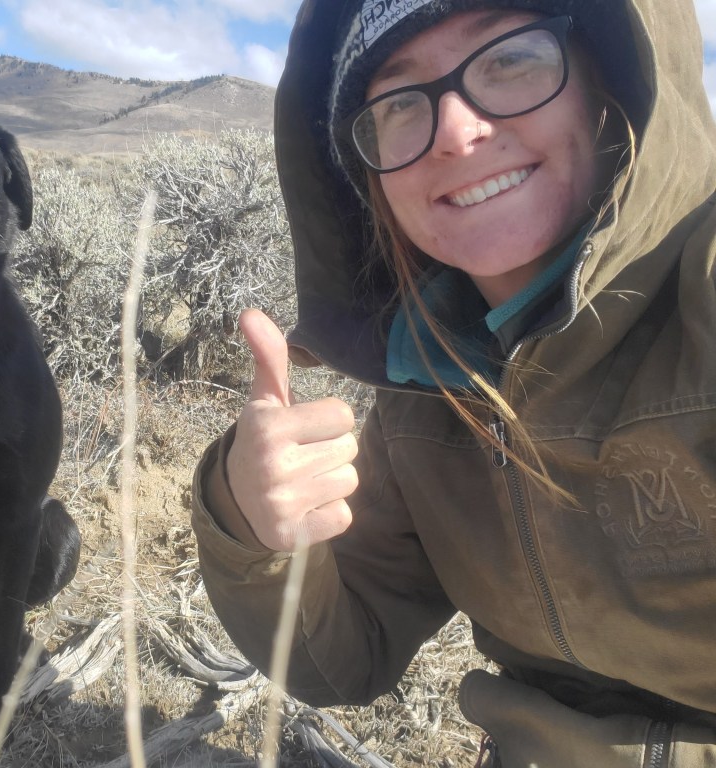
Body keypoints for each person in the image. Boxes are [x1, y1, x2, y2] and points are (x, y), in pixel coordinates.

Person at [190, 0, 716, 765]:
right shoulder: (427, 383)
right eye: (400, 102)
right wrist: (255, 528)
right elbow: (346, 654)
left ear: (608, 77)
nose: (456, 132)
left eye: (508, 60)